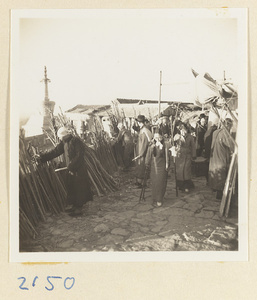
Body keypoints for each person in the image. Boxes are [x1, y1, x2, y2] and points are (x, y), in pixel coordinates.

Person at [38, 127, 93, 217]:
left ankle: (79, 209)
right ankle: (75, 206)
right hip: (71, 169)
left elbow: (79, 156)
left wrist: (71, 166)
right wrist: (43, 158)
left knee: (80, 188)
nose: (60, 138)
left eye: (60, 137)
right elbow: (55, 152)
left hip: (78, 169)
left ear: (64, 135)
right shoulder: (64, 142)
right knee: (72, 187)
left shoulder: (76, 141)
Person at [208, 118, 234, 199]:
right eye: (230, 126)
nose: (230, 128)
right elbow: (231, 146)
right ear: (228, 125)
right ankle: (219, 194)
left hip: (214, 157)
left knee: (215, 173)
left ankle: (214, 188)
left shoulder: (215, 132)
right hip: (221, 157)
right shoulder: (225, 134)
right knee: (221, 174)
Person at [145, 132, 170, 207]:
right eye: (155, 138)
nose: (157, 139)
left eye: (158, 137)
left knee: (161, 182)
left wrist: (167, 165)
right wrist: (147, 164)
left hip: (162, 166)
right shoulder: (151, 145)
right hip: (154, 166)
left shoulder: (165, 145)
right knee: (155, 183)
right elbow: (148, 156)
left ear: (161, 137)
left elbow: (167, 156)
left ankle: (159, 199)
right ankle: (155, 197)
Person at [174, 123, 196, 192]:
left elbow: (193, 147)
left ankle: (186, 185)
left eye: (185, 130)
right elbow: (173, 144)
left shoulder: (190, 137)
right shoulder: (177, 136)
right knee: (180, 171)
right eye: (182, 130)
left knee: (186, 170)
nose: (183, 132)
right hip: (179, 156)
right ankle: (180, 185)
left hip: (187, 156)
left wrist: (193, 155)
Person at [134, 115, 152, 187]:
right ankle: (139, 181)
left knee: (142, 166)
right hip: (140, 149)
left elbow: (144, 143)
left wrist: (141, 153)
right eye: (138, 122)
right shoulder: (142, 130)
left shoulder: (144, 131)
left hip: (143, 151)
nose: (138, 124)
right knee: (140, 166)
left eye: (139, 122)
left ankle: (143, 183)